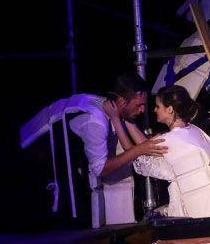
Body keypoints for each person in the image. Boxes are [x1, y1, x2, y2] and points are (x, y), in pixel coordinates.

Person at [105, 85, 210, 218]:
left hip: (199, 206)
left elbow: (133, 152)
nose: (154, 110)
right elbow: (145, 145)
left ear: (170, 109)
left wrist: (116, 119)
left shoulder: (169, 140)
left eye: (158, 106)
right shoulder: (195, 130)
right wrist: (128, 120)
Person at [68, 72, 168, 227]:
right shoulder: (97, 122)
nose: (143, 110)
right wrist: (138, 150)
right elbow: (100, 169)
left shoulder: (118, 113)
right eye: (139, 105)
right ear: (121, 102)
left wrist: (138, 145)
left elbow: (141, 146)